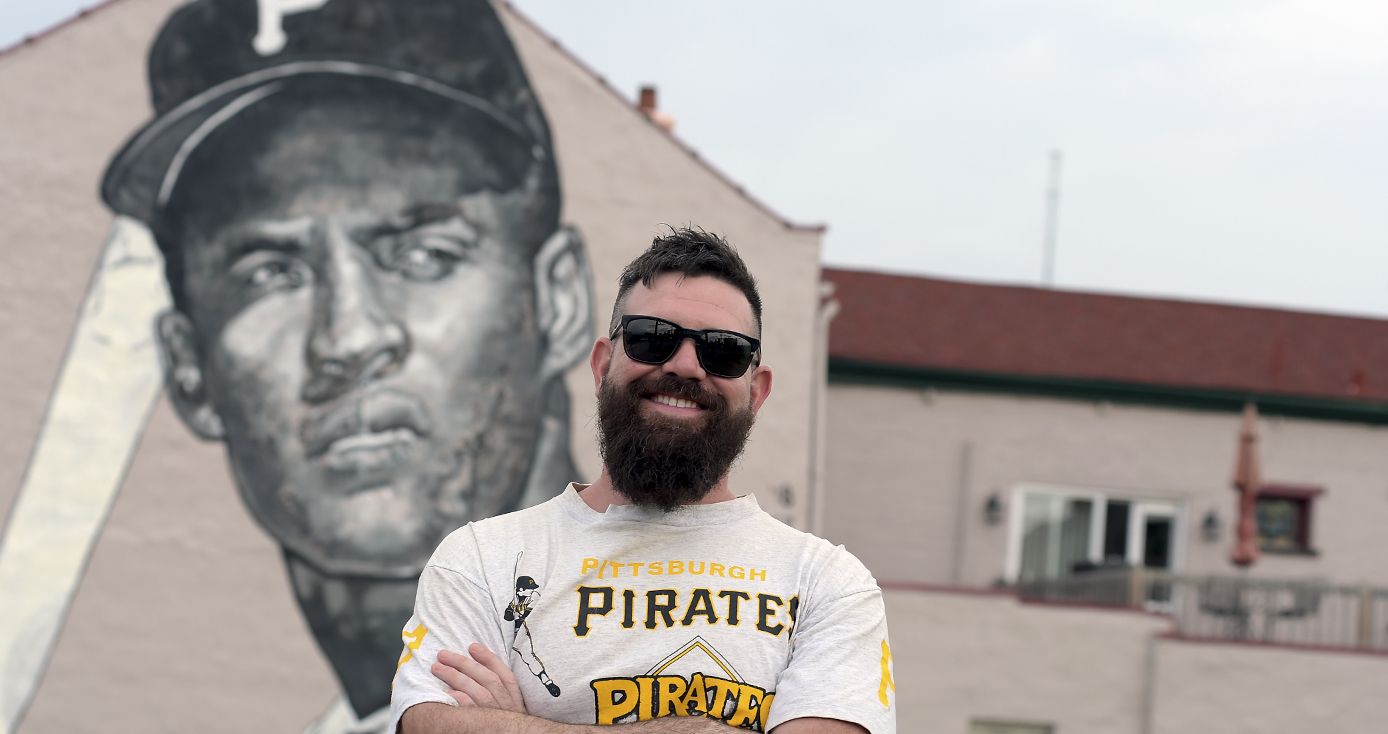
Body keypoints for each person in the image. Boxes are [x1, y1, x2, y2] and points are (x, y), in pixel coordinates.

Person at [98, 1, 593, 731]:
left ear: (558, 302)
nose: (349, 338)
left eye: (424, 255)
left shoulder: (686, 666)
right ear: (189, 365)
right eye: (269, 275)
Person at [390, 230, 896, 733]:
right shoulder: (482, 559)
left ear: (756, 391)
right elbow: (427, 725)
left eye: (723, 351)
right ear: (602, 364)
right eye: (653, 338)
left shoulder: (828, 584)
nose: (684, 366)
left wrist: (517, 726)